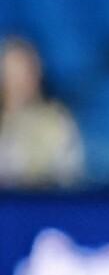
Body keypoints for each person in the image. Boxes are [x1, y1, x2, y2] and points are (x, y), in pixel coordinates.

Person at [0, 36, 84, 187]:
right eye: (12, 74)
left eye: (24, 72)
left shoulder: (57, 122)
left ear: (37, 73)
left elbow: (70, 178)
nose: (18, 82)